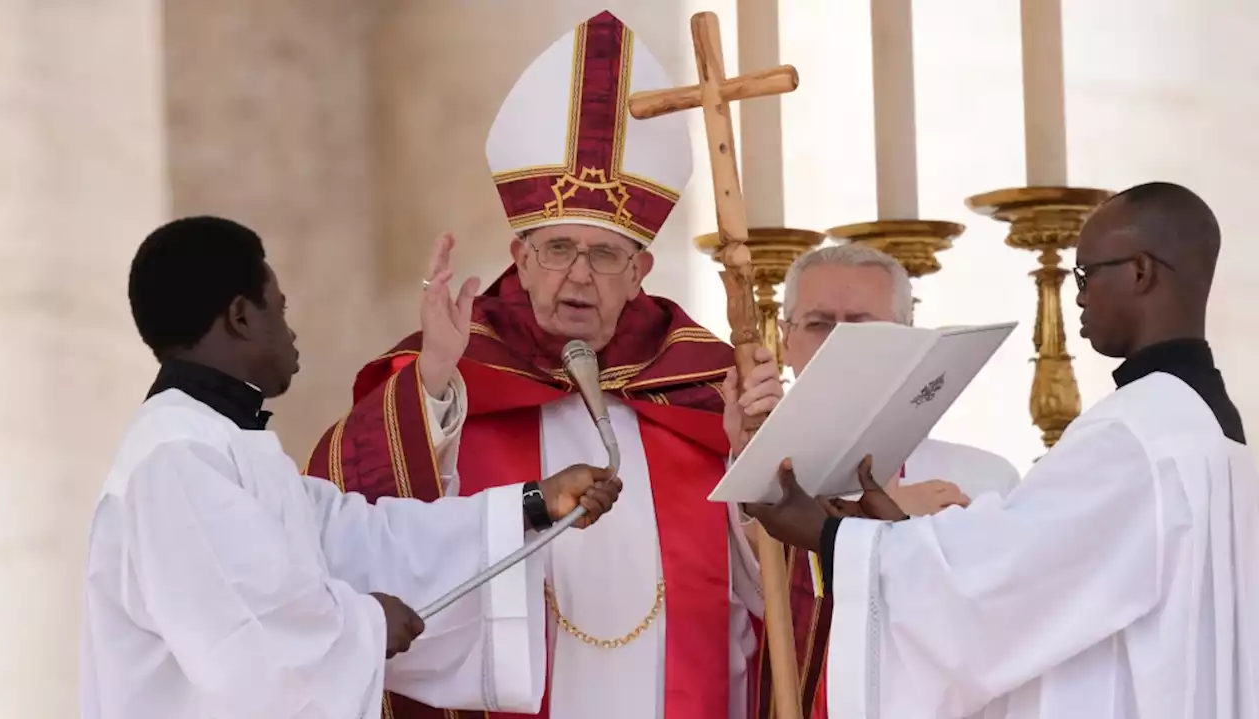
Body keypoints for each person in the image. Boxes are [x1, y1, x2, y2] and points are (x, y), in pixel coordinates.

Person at [305, 11, 801, 719]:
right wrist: (435, 387)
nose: (578, 276)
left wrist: (753, 461)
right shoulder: (452, 372)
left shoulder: (700, 388)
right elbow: (348, 530)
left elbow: (777, 593)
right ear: (520, 259)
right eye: (557, 248)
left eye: (603, 255)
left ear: (640, 272)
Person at [745, 182, 1259, 718]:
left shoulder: (1136, 435)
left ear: (1139, 272)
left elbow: (998, 591)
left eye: (1085, 274)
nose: (1077, 295)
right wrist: (897, 528)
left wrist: (828, 535)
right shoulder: (1198, 420)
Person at [80, 216, 623, 719]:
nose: (291, 334)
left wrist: (535, 503)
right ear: (242, 317)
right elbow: (255, 643)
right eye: (280, 309)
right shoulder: (177, 457)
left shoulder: (223, 444)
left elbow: (361, 541)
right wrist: (368, 624)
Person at [781, 243, 1020, 515]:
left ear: (909, 342)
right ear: (785, 341)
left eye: (861, 326)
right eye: (818, 324)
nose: (837, 343)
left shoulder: (987, 483)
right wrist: (883, 518)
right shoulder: (749, 478)